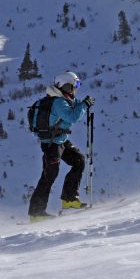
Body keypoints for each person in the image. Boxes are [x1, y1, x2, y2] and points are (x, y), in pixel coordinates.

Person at [27, 72, 94, 219]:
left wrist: (82, 104)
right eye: (75, 85)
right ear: (67, 86)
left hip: (60, 141)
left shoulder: (63, 99)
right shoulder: (58, 102)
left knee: (78, 161)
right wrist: (84, 105)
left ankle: (69, 199)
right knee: (49, 176)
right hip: (52, 144)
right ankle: (36, 213)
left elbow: (74, 107)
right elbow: (72, 116)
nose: (77, 88)